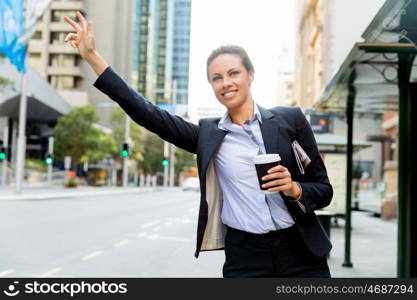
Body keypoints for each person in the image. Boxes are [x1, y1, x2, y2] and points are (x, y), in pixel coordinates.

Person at [64, 12, 333, 278]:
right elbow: (146, 112)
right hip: (246, 255)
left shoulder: (290, 120)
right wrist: (91, 57)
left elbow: (324, 190)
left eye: (233, 73)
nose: (226, 83)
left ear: (250, 74)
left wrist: (294, 188)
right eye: (217, 78)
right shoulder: (208, 135)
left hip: (300, 251)